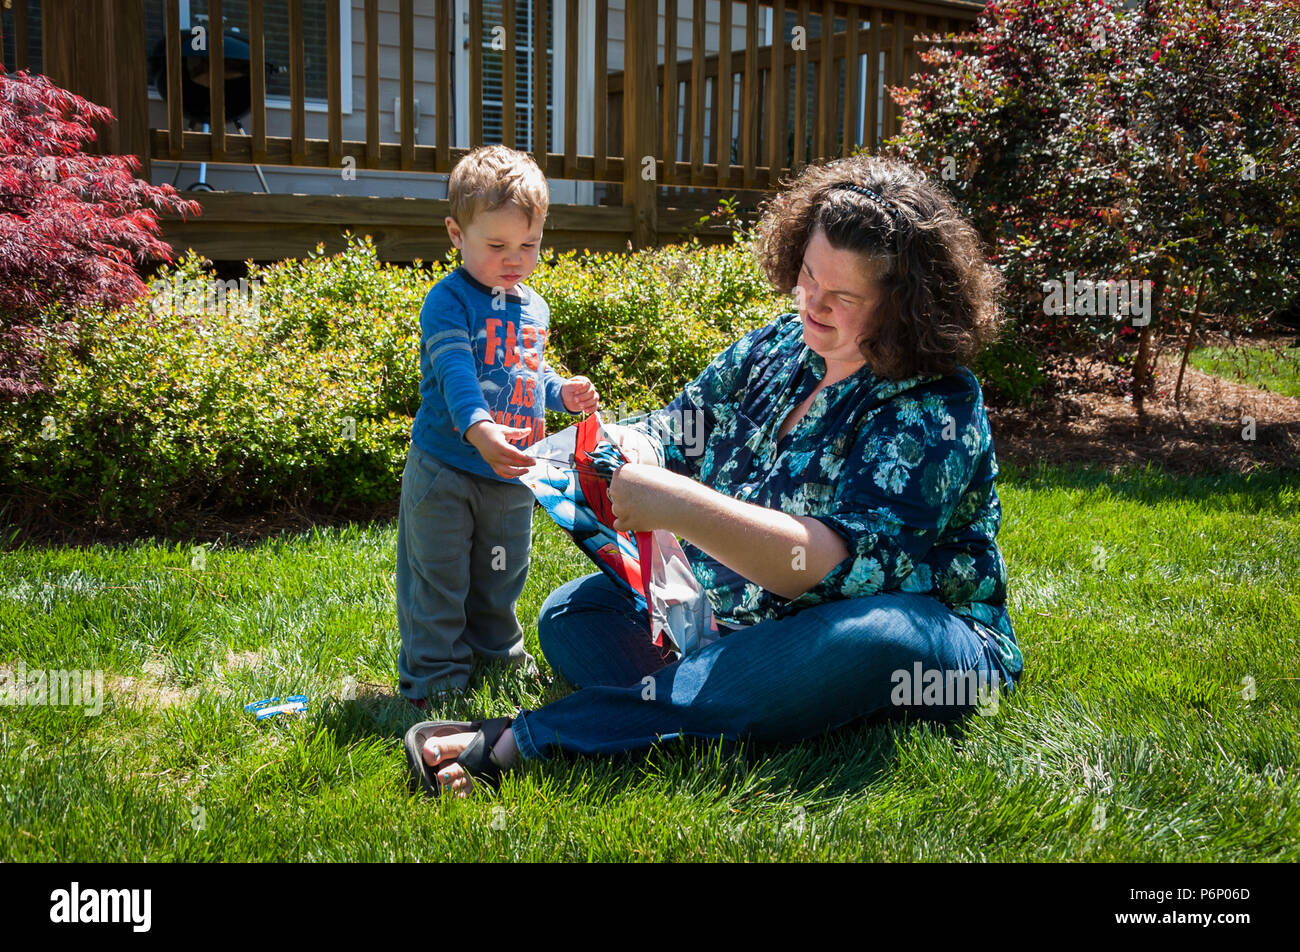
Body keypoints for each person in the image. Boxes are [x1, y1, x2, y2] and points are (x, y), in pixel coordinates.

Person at [403, 154, 1024, 795]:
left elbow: (840, 568)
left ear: (905, 306)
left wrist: (680, 505)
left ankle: (524, 741)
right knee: (572, 614)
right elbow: (673, 429)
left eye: (844, 297)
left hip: (910, 636)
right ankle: (740, 695)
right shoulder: (777, 348)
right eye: (808, 277)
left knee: (880, 634)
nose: (813, 303)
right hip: (746, 616)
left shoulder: (936, 400)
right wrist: (629, 446)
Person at [397, 145, 599, 706]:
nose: (515, 259)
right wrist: (480, 428)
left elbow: (524, 375)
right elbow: (458, 373)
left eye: (529, 245)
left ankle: (496, 656)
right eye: (497, 245)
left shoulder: (533, 306)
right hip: (448, 467)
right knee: (438, 578)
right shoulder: (448, 302)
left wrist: (563, 392)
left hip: (512, 472)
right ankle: (433, 677)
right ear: (456, 234)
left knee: (501, 574)